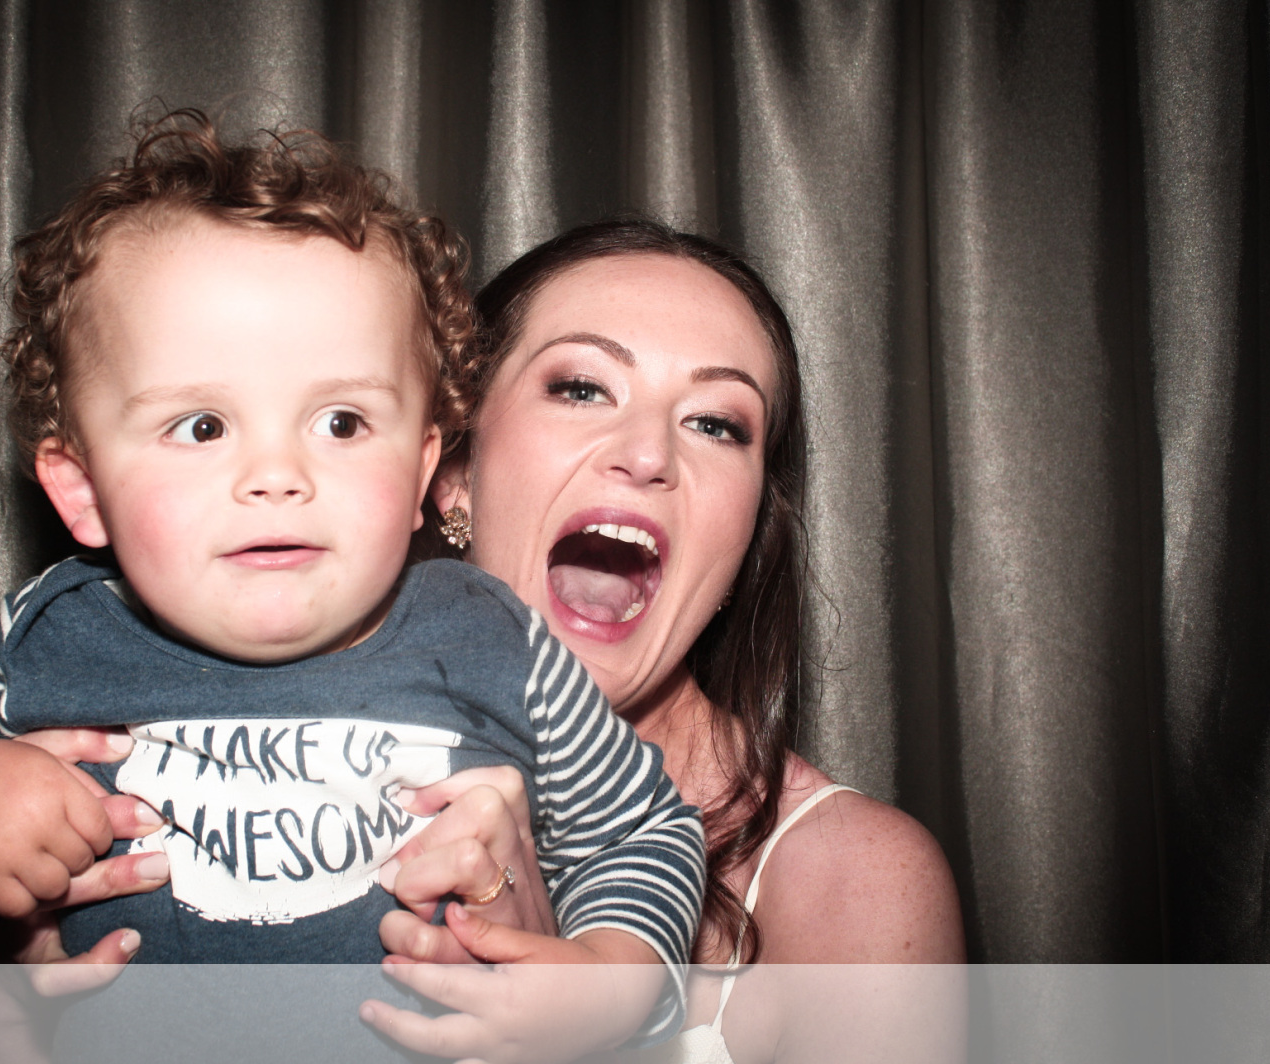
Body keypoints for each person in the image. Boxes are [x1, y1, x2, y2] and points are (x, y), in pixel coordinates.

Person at [0, 113, 704, 1046]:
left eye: (341, 423)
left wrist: (614, 983)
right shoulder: (43, 637)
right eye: (202, 427)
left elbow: (646, 835)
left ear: (421, 470)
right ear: (82, 490)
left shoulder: (495, 641)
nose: (278, 475)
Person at [355, 218, 966, 1064]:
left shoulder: (857, 883)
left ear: (743, 538)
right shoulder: (261, 774)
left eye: (715, 424)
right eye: (581, 387)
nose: (648, 454)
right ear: (456, 474)